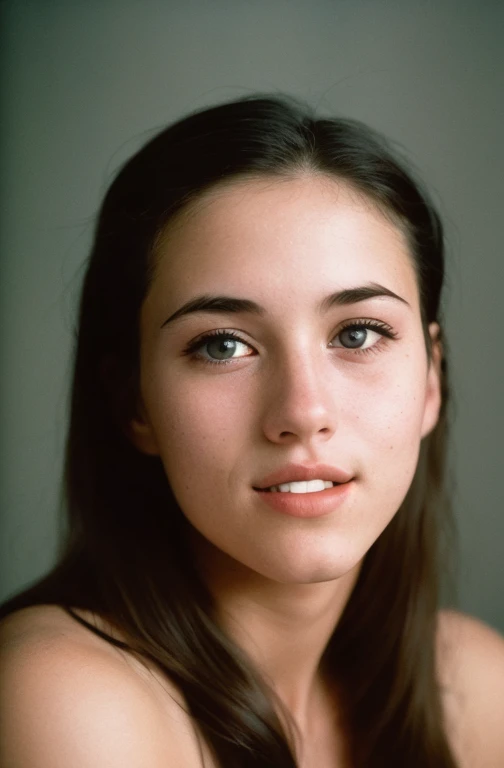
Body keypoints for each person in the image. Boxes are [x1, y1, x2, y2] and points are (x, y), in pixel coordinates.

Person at [0, 94, 503, 768]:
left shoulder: (473, 687)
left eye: (357, 333)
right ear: (134, 402)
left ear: (431, 381)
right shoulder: (61, 700)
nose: (302, 410)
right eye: (222, 346)